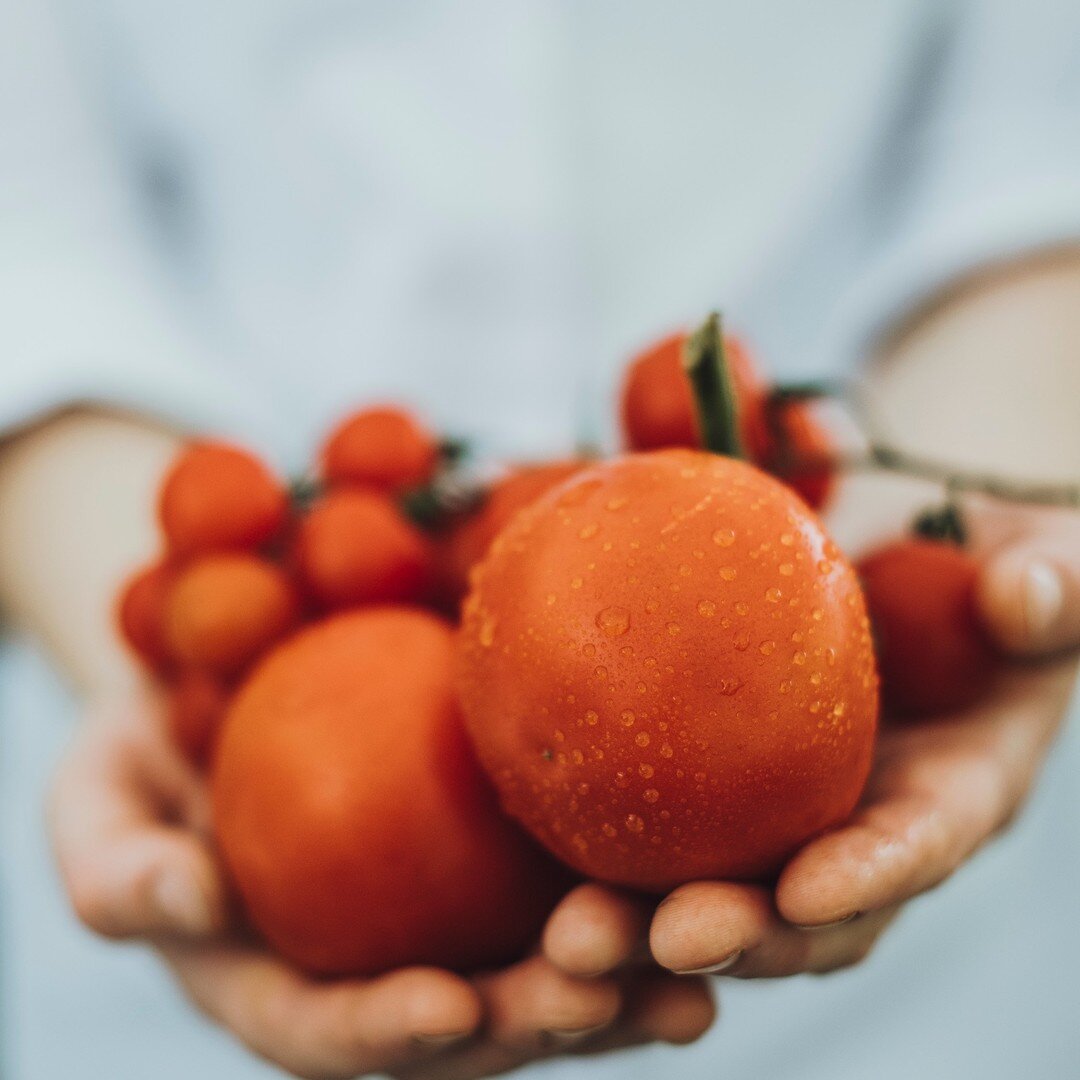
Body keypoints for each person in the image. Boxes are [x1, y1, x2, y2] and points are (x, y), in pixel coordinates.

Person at [1, 1, 1078, 1078]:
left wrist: (999, 431)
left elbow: (1038, 129)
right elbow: (28, 219)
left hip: (917, 994)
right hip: (163, 983)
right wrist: (93, 540)